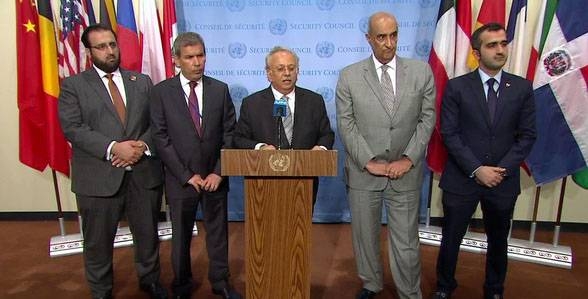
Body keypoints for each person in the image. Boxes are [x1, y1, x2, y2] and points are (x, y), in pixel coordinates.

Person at [58, 24, 166, 299]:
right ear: (89, 52)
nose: (109, 51)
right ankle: (101, 289)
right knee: (97, 242)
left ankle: (150, 280)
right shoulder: (74, 86)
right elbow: (72, 128)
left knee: (147, 235)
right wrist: (113, 148)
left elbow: (158, 123)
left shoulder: (140, 81)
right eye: (101, 47)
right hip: (98, 177)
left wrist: (141, 145)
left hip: (142, 173)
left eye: (112, 44)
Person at [432, 23, 536, 299]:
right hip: (462, 178)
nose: (500, 49)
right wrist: (477, 169)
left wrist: (499, 170)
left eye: (503, 43)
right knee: (451, 239)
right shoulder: (457, 88)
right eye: (492, 45)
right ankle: (444, 287)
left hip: (502, 180)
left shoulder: (522, 88)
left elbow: (527, 136)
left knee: (498, 241)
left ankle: (494, 289)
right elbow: (450, 133)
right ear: (477, 53)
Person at [336, 11, 435, 299]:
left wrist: (408, 159)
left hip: (406, 172)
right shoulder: (349, 76)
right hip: (364, 173)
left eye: (393, 35)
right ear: (369, 38)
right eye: (381, 37)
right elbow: (347, 123)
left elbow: (427, 120)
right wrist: (369, 162)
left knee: (406, 242)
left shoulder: (421, 72)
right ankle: (371, 283)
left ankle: (409, 291)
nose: (389, 43)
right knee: (365, 237)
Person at [149, 32, 240, 299]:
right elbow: (160, 138)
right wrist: (186, 175)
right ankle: (182, 284)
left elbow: (229, 134)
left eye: (201, 55)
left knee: (218, 234)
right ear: (176, 59)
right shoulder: (161, 92)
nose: (197, 62)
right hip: (181, 180)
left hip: (214, 178)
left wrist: (218, 171)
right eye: (190, 57)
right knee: (181, 237)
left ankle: (221, 282)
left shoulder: (219, 89)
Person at [233, 46, 335, 206]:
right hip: (263, 181)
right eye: (280, 69)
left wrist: (320, 149)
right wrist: (260, 148)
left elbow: (327, 134)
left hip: (304, 179)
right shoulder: (252, 103)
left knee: (299, 228)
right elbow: (238, 139)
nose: (287, 73)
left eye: (291, 68)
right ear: (269, 74)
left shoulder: (314, 101)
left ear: (297, 71)